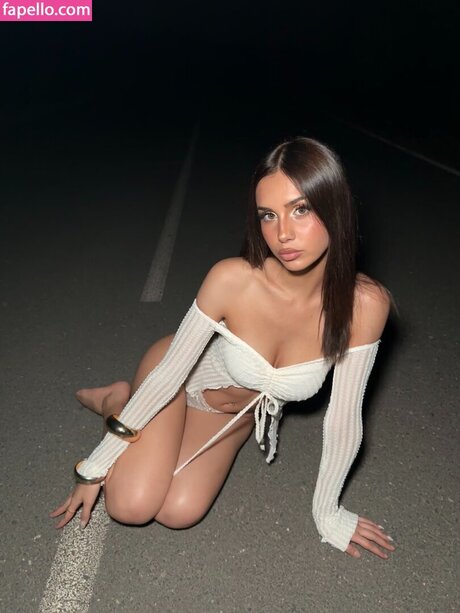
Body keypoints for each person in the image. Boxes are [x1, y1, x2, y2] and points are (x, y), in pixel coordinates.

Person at [51, 136, 396, 560]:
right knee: (130, 505)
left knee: (179, 511)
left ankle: (172, 433)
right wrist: (94, 466)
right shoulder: (234, 280)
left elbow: (344, 419)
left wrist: (328, 515)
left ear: (335, 208)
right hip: (177, 384)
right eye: (268, 215)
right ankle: (116, 400)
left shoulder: (365, 305)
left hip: (232, 416)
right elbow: (168, 377)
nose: (283, 234)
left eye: (301, 209)